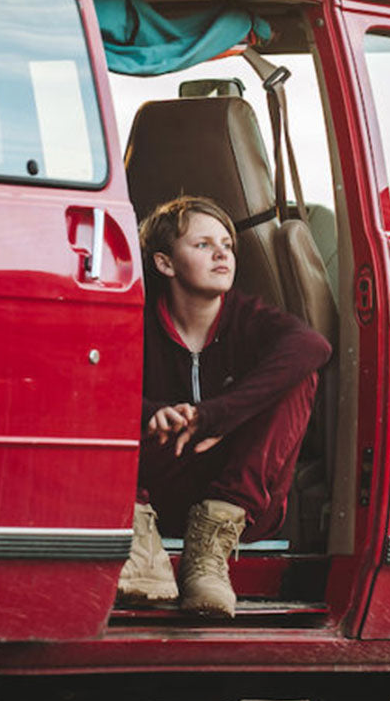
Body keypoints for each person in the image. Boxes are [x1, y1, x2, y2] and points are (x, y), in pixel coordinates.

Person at [117, 195, 332, 618]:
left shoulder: (249, 318)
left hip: (237, 502)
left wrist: (216, 415)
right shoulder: (135, 320)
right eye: (202, 245)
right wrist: (147, 413)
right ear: (164, 264)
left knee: (298, 374)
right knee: (96, 382)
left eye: (227, 245)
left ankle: (207, 555)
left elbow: (314, 346)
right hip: (154, 487)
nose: (221, 254)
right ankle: (139, 546)